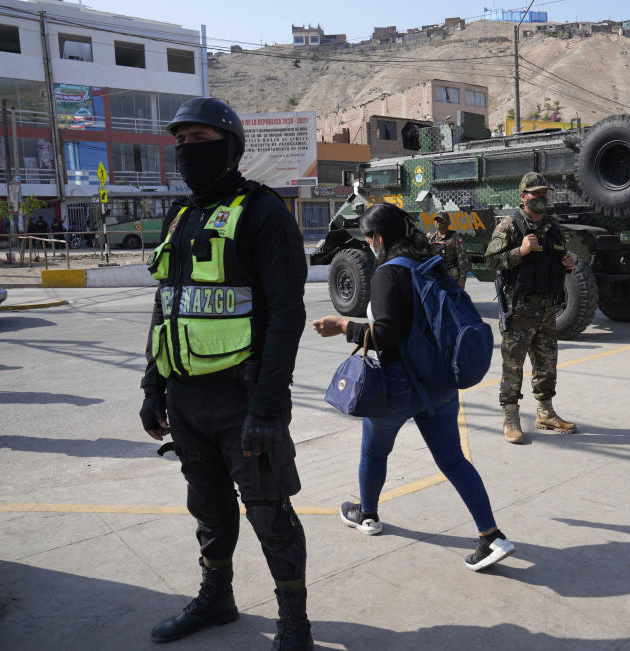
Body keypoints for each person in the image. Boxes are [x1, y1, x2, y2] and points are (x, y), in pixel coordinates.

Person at [138, 97, 312, 649]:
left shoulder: (263, 214)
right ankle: (217, 598)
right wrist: (153, 384)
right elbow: (167, 304)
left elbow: (287, 316)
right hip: (187, 400)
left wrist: (265, 408)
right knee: (209, 510)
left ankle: (294, 624)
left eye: (200, 141)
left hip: (244, 400)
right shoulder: (180, 215)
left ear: (231, 147)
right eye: (181, 142)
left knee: (270, 515)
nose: (188, 152)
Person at [312, 203, 516, 572]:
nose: (369, 245)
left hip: (396, 387)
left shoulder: (387, 274)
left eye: (369, 238)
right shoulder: (430, 265)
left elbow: (387, 335)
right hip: (438, 382)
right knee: (453, 460)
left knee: (374, 454)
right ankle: (491, 536)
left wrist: (343, 326)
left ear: (379, 238)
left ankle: (368, 514)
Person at [484, 172, 577, 444]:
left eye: (544, 194)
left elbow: (558, 259)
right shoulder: (510, 226)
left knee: (547, 364)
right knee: (513, 366)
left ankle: (545, 413)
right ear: (523, 197)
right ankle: (511, 416)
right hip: (520, 310)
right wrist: (519, 251)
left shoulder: (553, 227)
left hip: (548, 310)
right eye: (535, 194)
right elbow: (490, 262)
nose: (541, 198)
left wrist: (567, 262)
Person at [427, 211, 470, 288]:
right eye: (437, 220)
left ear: (448, 222)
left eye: (441, 220)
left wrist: (462, 280)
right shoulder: (431, 238)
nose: (438, 222)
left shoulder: (455, 238)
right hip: (436, 278)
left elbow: (463, 260)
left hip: (452, 279)